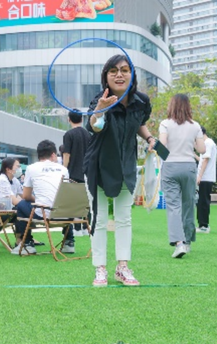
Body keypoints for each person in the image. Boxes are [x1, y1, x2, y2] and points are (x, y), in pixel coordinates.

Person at [85, 54, 155, 286]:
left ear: (132, 75)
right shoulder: (100, 100)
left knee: (124, 218)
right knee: (100, 219)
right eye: (113, 70)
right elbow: (95, 127)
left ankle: (122, 267)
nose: (119, 74)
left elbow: (139, 124)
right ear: (106, 76)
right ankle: (100, 268)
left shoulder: (141, 102)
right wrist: (100, 109)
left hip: (126, 166)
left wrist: (149, 137)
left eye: (125, 70)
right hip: (98, 167)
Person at [159, 94, 205, 258]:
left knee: (173, 206)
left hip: (171, 165)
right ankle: (187, 241)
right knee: (188, 204)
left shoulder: (165, 124)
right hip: (189, 166)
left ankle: (178, 244)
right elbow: (202, 150)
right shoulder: (195, 126)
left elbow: (162, 145)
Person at [13, 140, 75, 255]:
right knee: (63, 203)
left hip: (45, 213)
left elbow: (26, 196)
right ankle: (69, 242)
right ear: (52, 154)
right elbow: (66, 194)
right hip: (67, 214)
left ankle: (27, 243)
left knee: (21, 204)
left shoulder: (31, 168)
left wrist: (38, 201)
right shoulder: (63, 169)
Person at [63, 110, 92, 235]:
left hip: (73, 172)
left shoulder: (68, 135)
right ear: (82, 119)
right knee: (86, 201)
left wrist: (63, 170)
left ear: (69, 119)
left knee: (74, 201)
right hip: (88, 172)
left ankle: (77, 228)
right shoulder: (89, 134)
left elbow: (66, 154)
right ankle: (86, 227)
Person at [196, 126, 217, 233]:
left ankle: (204, 225)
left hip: (205, 177)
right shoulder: (207, 144)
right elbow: (202, 160)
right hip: (204, 177)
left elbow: (206, 160)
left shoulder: (208, 143)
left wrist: (199, 176)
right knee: (200, 201)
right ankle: (201, 225)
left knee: (203, 201)